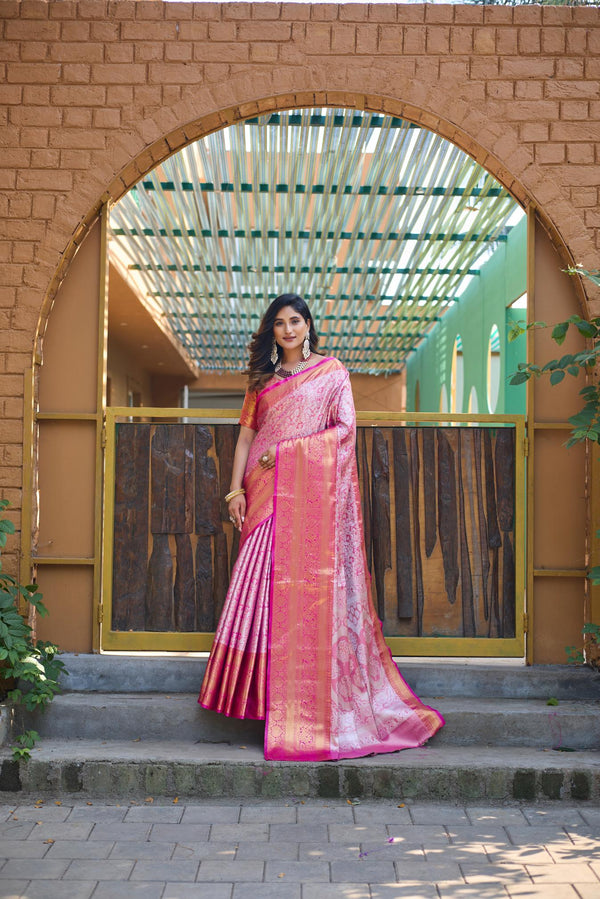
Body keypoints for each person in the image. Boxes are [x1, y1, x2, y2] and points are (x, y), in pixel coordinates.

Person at [199, 293, 444, 761]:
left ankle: (302, 707)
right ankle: (261, 699)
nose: (288, 329)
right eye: (280, 323)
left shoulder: (332, 373)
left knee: (301, 601)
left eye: (296, 320)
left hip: (306, 498)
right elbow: (246, 436)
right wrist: (236, 490)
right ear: (271, 331)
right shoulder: (262, 381)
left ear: (309, 325)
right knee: (260, 593)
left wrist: (288, 455)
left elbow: (345, 431)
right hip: (263, 493)